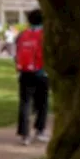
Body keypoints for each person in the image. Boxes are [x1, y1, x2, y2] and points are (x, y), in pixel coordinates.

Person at [14, 9, 50, 145]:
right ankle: (40, 130)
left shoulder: (22, 34)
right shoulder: (46, 35)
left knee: (25, 103)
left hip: (25, 72)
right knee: (42, 103)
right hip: (42, 72)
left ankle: (25, 135)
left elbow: (16, 52)